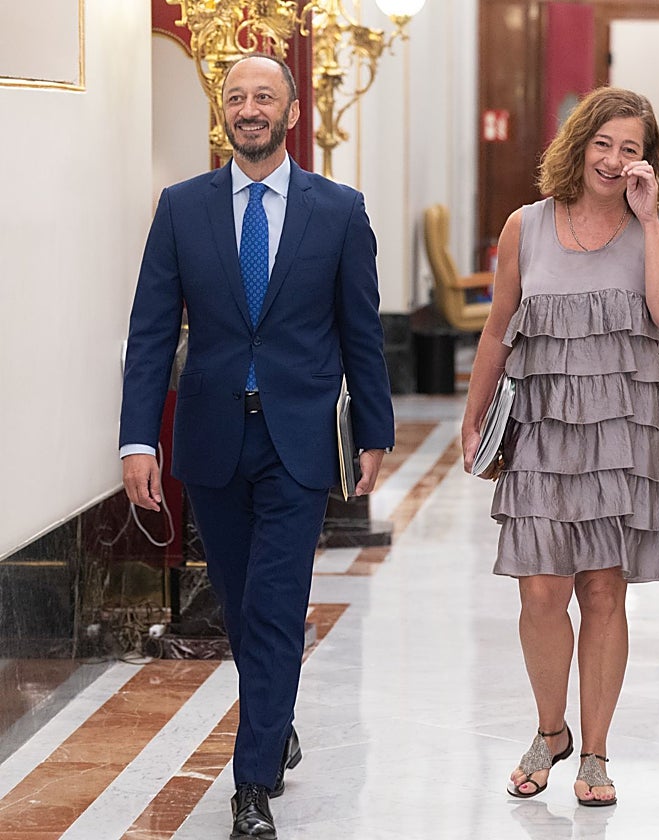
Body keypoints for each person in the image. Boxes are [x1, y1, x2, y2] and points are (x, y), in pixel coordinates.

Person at [119, 54, 394, 840]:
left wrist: (373, 429)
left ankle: (250, 785)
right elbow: (149, 332)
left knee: (274, 607)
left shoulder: (339, 210)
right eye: (236, 97)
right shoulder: (179, 208)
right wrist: (140, 437)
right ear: (223, 112)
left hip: (298, 440)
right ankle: (277, 723)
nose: (249, 108)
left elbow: (361, 330)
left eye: (264, 96)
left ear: (292, 111)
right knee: (242, 608)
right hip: (209, 438)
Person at [460, 86, 659, 807]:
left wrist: (653, 222)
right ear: (578, 143)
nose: (616, 159)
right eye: (605, 143)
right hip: (541, 428)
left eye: (632, 149)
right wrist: (473, 420)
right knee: (539, 590)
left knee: (602, 589)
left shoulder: (658, 229)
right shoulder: (525, 226)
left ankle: (593, 752)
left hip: (622, 434)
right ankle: (549, 730)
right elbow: (498, 329)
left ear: (647, 162)